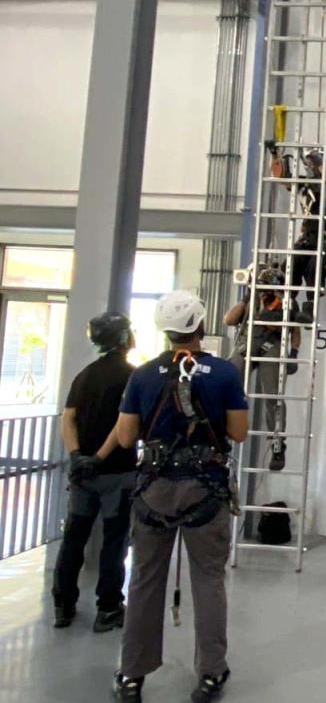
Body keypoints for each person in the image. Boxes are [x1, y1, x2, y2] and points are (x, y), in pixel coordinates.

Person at [112, 291, 249, 703]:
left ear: (165, 329)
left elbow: (125, 437)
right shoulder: (224, 373)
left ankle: (132, 674)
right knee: (208, 581)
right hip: (205, 489)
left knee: (144, 581)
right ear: (201, 325)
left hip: (154, 490)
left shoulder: (143, 375)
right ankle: (211, 673)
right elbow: (239, 432)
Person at [51, 312, 137, 632]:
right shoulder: (132, 376)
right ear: (123, 337)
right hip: (117, 473)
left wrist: (77, 456)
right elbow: (124, 424)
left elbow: (68, 418)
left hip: (83, 476)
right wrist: (100, 457)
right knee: (114, 542)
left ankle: (63, 604)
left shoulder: (84, 376)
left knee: (74, 537)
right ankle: (108, 607)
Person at [224, 264, 301, 470]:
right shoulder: (252, 301)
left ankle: (277, 443)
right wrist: (247, 299)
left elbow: (294, 331)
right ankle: (220, 430)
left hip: (271, 345)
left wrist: (293, 354)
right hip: (247, 343)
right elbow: (229, 320)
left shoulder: (287, 303)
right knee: (228, 382)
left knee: (273, 396)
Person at [270, 145, 326, 303]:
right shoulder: (306, 184)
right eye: (309, 163)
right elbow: (282, 178)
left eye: (313, 163)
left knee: (314, 267)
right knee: (290, 266)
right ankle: (283, 303)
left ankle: (310, 306)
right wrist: (274, 155)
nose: (311, 167)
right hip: (309, 238)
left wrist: (320, 164)